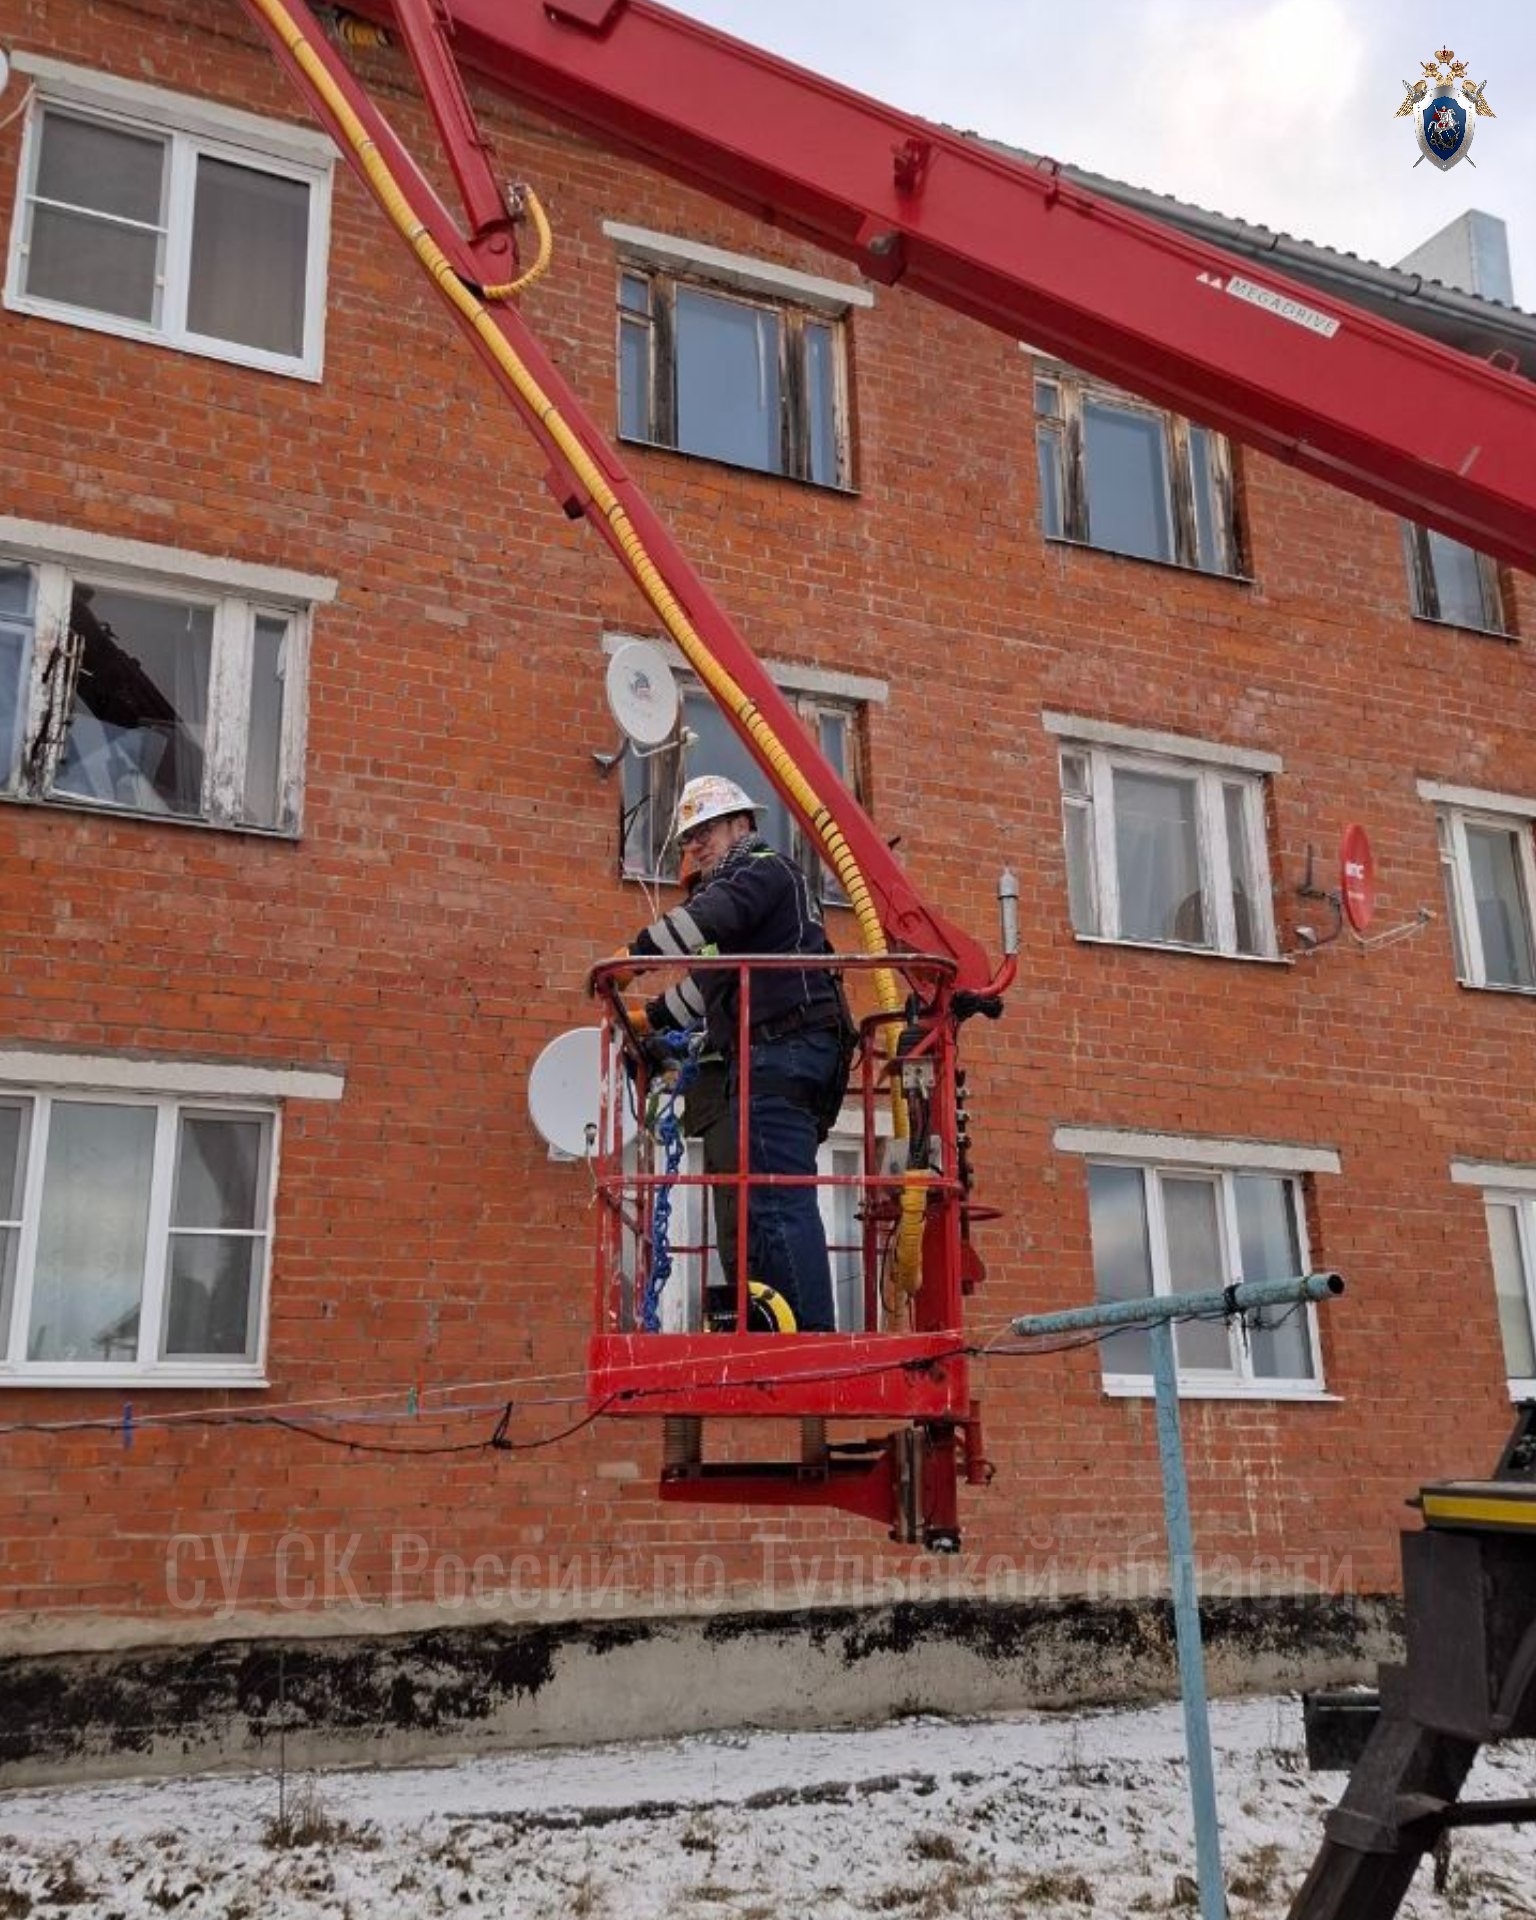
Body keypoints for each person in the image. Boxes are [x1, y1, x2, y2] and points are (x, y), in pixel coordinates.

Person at [607, 773, 846, 1333]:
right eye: (689, 838)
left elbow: (703, 921)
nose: (696, 845)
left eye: (706, 829)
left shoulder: (761, 869)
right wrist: (653, 1019)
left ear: (742, 824)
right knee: (763, 1204)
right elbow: (711, 984)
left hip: (784, 1049)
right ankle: (782, 1326)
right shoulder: (755, 901)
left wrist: (632, 958)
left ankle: (810, 1337)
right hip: (781, 1052)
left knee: (776, 1201)